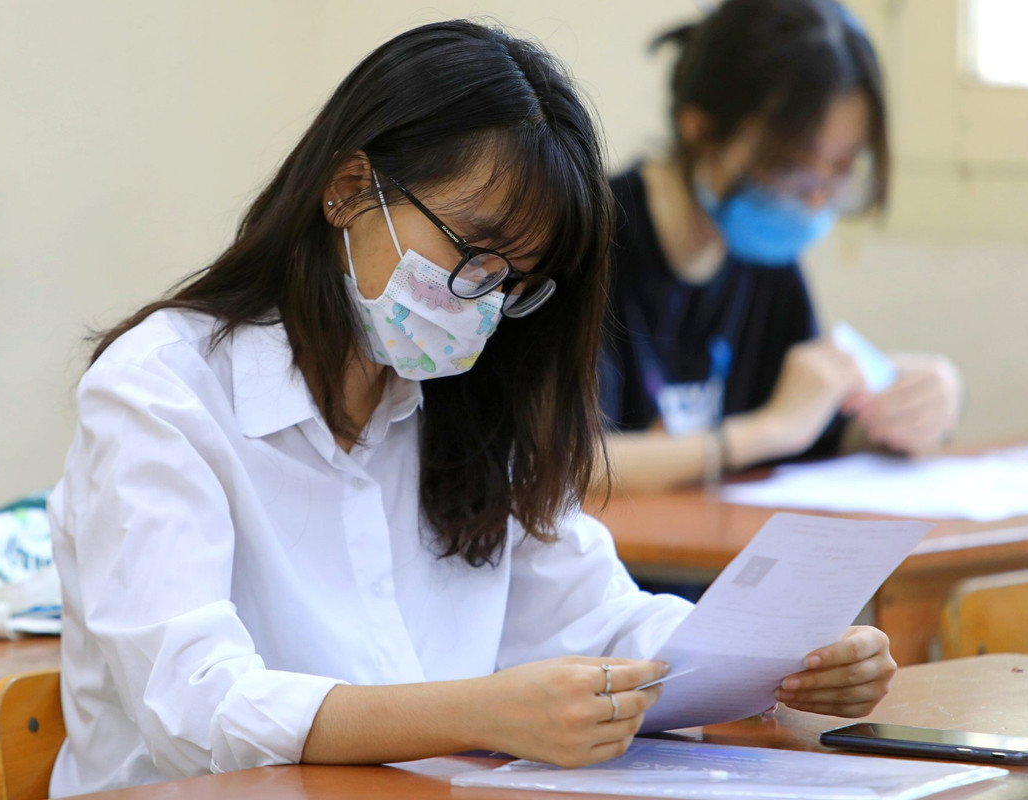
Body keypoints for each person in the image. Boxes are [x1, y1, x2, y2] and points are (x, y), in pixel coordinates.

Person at [47, 20, 897, 796]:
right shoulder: (163, 390)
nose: (483, 304)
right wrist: (480, 712)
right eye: (472, 251)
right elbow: (195, 710)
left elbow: (598, 621)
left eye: (517, 282)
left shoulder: (471, 400)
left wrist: (784, 662)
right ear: (348, 189)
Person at [599, 0, 964, 493]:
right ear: (699, 127)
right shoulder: (588, 244)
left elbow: (816, 438)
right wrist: (766, 431)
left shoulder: (767, 261)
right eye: (792, 166)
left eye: (842, 169)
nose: (816, 200)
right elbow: (563, 469)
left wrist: (916, 412)